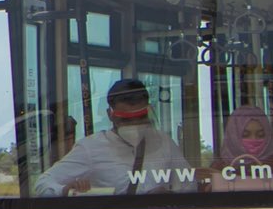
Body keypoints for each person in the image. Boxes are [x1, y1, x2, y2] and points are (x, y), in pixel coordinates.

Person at [32, 78, 192, 196]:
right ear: (110, 115)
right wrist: (64, 191)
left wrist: (170, 193)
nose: (134, 125)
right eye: (126, 120)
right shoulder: (91, 148)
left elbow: (189, 185)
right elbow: (42, 184)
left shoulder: (164, 142)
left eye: (140, 118)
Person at [214, 105, 273, 192]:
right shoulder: (219, 168)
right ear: (233, 137)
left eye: (260, 135)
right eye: (245, 135)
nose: (254, 140)